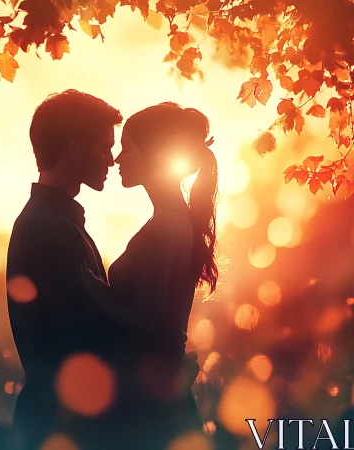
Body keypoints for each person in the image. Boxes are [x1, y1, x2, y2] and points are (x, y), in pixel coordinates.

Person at [5, 90, 200, 450]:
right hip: (64, 426)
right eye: (107, 147)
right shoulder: (52, 230)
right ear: (75, 149)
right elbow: (87, 338)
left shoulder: (58, 223)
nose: (112, 161)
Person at [83, 102, 217, 448]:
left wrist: (93, 292)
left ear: (153, 154)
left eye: (126, 148)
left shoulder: (166, 229)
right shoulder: (174, 222)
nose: (117, 159)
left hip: (152, 406)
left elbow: (147, 321)